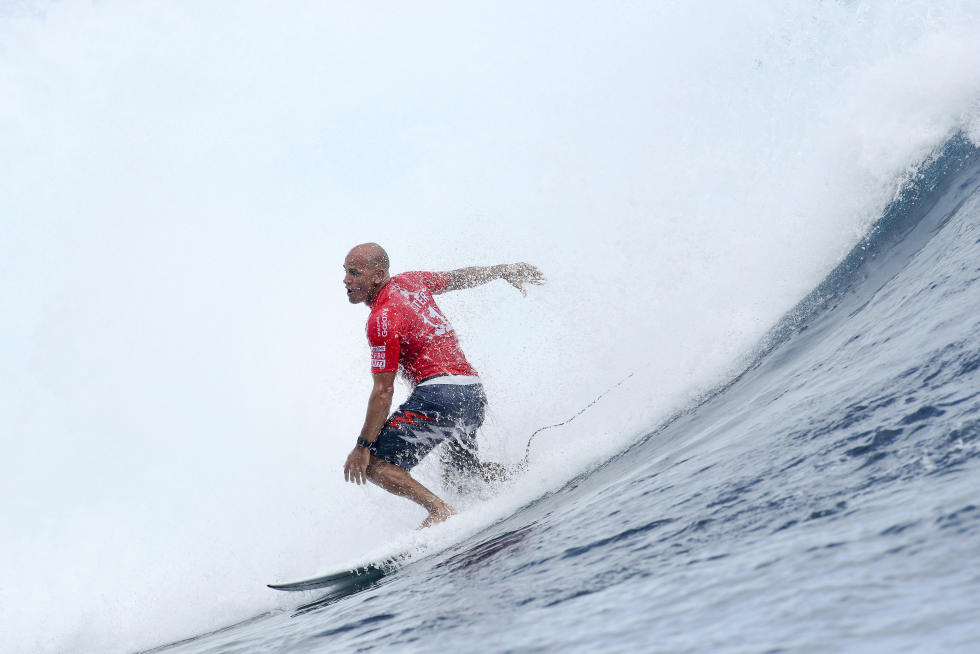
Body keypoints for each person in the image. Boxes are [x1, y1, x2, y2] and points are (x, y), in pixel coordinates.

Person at [342, 242, 545, 527]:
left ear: (378, 275)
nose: (346, 280)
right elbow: (460, 278)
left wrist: (362, 446)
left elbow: (383, 391)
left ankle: (440, 511)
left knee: (375, 464)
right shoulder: (412, 281)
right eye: (345, 272)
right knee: (462, 479)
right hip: (472, 392)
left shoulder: (381, 318)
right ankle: (534, 476)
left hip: (440, 394)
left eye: (354, 273)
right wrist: (503, 271)